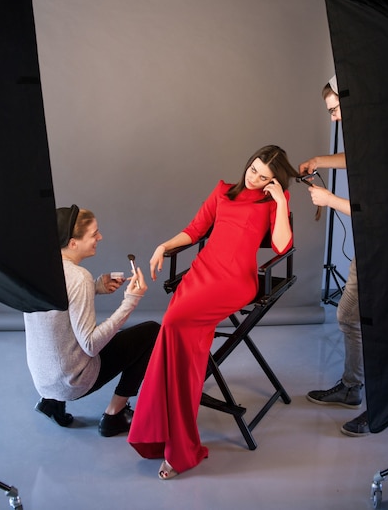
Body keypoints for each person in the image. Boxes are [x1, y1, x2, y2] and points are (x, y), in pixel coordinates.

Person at [128, 145, 298, 479]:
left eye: (264, 177)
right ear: (248, 163)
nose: (255, 178)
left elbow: (282, 246)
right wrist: (164, 246)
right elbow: (195, 229)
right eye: (254, 170)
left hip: (235, 282)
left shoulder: (272, 202)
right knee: (177, 339)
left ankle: (175, 443)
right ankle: (169, 438)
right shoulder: (222, 191)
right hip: (202, 273)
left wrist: (279, 202)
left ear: (273, 181)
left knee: (173, 325)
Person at [23, 205, 159, 437]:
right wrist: (131, 301)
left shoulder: (40, 269)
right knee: (152, 333)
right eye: (94, 234)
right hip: (72, 382)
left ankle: (51, 404)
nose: (100, 237)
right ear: (73, 243)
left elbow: (57, 313)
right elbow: (91, 344)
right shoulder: (78, 277)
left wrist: (96, 287)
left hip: (44, 380)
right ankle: (115, 416)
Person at [299, 75, 369, 437]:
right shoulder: (371, 132)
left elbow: (379, 209)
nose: (334, 119)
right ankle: (352, 387)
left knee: (377, 323)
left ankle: (383, 404)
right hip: (370, 245)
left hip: (386, 246)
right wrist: (319, 160)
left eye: (336, 109)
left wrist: (329, 201)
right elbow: (358, 157)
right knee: (350, 314)